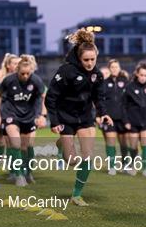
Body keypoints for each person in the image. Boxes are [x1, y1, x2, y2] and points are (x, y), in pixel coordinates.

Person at [45, 28, 112, 206]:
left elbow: (99, 97)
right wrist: (54, 121)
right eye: (86, 60)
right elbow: (51, 97)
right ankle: (61, 145)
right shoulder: (66, 71)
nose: (90, 63)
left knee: (88, 156)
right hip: (65, 118)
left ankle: (76, 194)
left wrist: (103, 113)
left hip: (85, 118)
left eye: (93, 59)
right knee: (71, 160)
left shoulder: (97, 75)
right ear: (79, 57)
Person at [0, 55, 47, 186]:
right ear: (17, 70)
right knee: (15, 144)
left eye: (28, 73)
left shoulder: (36, 80)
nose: (25, 76)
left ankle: (28, 172)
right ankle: (18, 175)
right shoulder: (8, 80)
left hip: (29, 116)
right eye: (22, 73)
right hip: (11, 115)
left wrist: (42, 115)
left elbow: (44, 96)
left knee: (26, 146)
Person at [122, 63, 146, 177]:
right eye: (141, 75)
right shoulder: (129, 87)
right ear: (137, 74)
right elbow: (123, 106)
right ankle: (134, 165)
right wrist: (126, 121)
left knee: (145, 144)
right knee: (133, 146)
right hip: (132, 121)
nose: (143, 77)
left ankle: (145, 169)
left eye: (145, 75)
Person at [100, 59, 130, 176]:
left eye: (116, 67)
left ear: (119, 68)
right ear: (109, 69)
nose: (114, 69)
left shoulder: (126, 82)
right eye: (112, 67)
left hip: (123, 118)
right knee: (110, 142)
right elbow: (100, 101)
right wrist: (99, 115)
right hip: (109, 118)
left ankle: (125, 165)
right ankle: (112, 166)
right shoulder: (104, 83)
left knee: (124, 144)